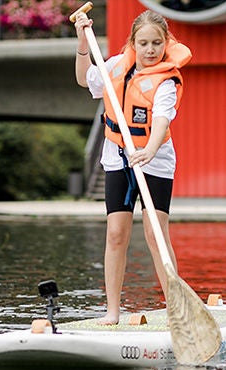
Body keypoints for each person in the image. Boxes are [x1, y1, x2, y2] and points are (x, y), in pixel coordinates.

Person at [74, 10, 192, 325]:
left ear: (166, 44)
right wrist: (82, 43)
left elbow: (162, 121)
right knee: (115, 234)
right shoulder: (115, 65)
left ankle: (175, 310)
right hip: (117, 157)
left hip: (155, 160)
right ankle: (112, 311)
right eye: (144, 43)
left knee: (156, 233)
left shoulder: (165, 82)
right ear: (133, 43)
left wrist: (149, 151)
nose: (150, 49)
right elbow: (83, 78)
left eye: (156, 43)